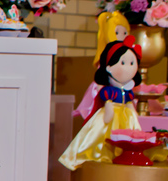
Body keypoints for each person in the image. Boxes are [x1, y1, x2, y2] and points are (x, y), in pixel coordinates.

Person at [59, 37, 143, 171]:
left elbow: (129, 103)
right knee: (102, 138)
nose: (129, 68)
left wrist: (133, 112)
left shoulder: (128, 91)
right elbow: (107, 103)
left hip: (127, 118)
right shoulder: (109, 91)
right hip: (110, 115)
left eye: (132, 63)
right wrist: (109, 109)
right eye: (123, 63)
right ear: (109, 67)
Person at [74, 10, 132, 119]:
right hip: (108, 91)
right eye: (117, 33)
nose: (122, 36)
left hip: (122, 91)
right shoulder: (107, 57)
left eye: (125, 33)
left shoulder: (127, 54)